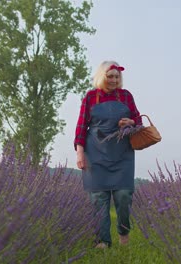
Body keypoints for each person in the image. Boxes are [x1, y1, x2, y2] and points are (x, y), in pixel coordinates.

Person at [74, 61, 142, 248]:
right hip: (95, 153)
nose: (113, 80)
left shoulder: (126, 96)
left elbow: (138, 120)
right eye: (109, 76)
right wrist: (80, 153)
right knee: (98, 199)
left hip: (122, 154)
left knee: (123, 195)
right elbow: (81, 126)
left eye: (116, 77)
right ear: (101, 76)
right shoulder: (90, 96)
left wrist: (130, 122)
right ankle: (102, 241)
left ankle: (123, 234)